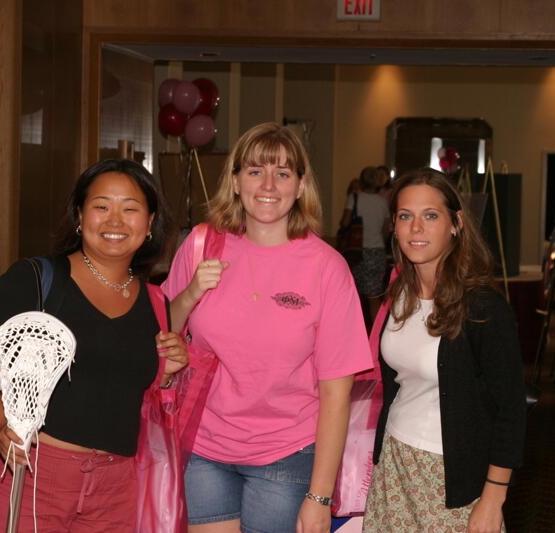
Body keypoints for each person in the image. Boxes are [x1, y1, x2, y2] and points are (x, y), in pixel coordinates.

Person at [0, 159, 188, 532]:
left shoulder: (156, 303)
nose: (115, 221)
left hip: (117, 488)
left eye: (130, 209)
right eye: (101, 206)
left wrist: (168, 371)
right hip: (35, 474)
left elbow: (126, 389)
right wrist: (2, 426)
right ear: (80, 215)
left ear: (150, 223)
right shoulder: (36, 279)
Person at [162, 122, 373, 533]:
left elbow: (336, 391)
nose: (269, 185)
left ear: (300, 184)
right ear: (236, 181)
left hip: (286, 453)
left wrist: (319, 496)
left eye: (283, 173)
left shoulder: (327, 268)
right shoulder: (202, 244)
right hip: (203, 446)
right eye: (256, 171)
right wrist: (188, 294)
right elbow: (162, 332)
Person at [362, 169, 527, 533]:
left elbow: (511, 411)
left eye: (430, 215)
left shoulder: (483, 308)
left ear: (456, 223)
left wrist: (493, 499)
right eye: (406, 216)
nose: (416, 228)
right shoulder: (398, 296)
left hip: (452, 477)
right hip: (394, 464)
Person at [339, 166, 391, 324]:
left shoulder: (354, 198)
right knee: (373, 298)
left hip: (355, 251)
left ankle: (352, 330)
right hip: (376, 253)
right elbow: (386, 229)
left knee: (352, 296)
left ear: (361, 180)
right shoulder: (382, 202)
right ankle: (374, 337)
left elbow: (345, 222)